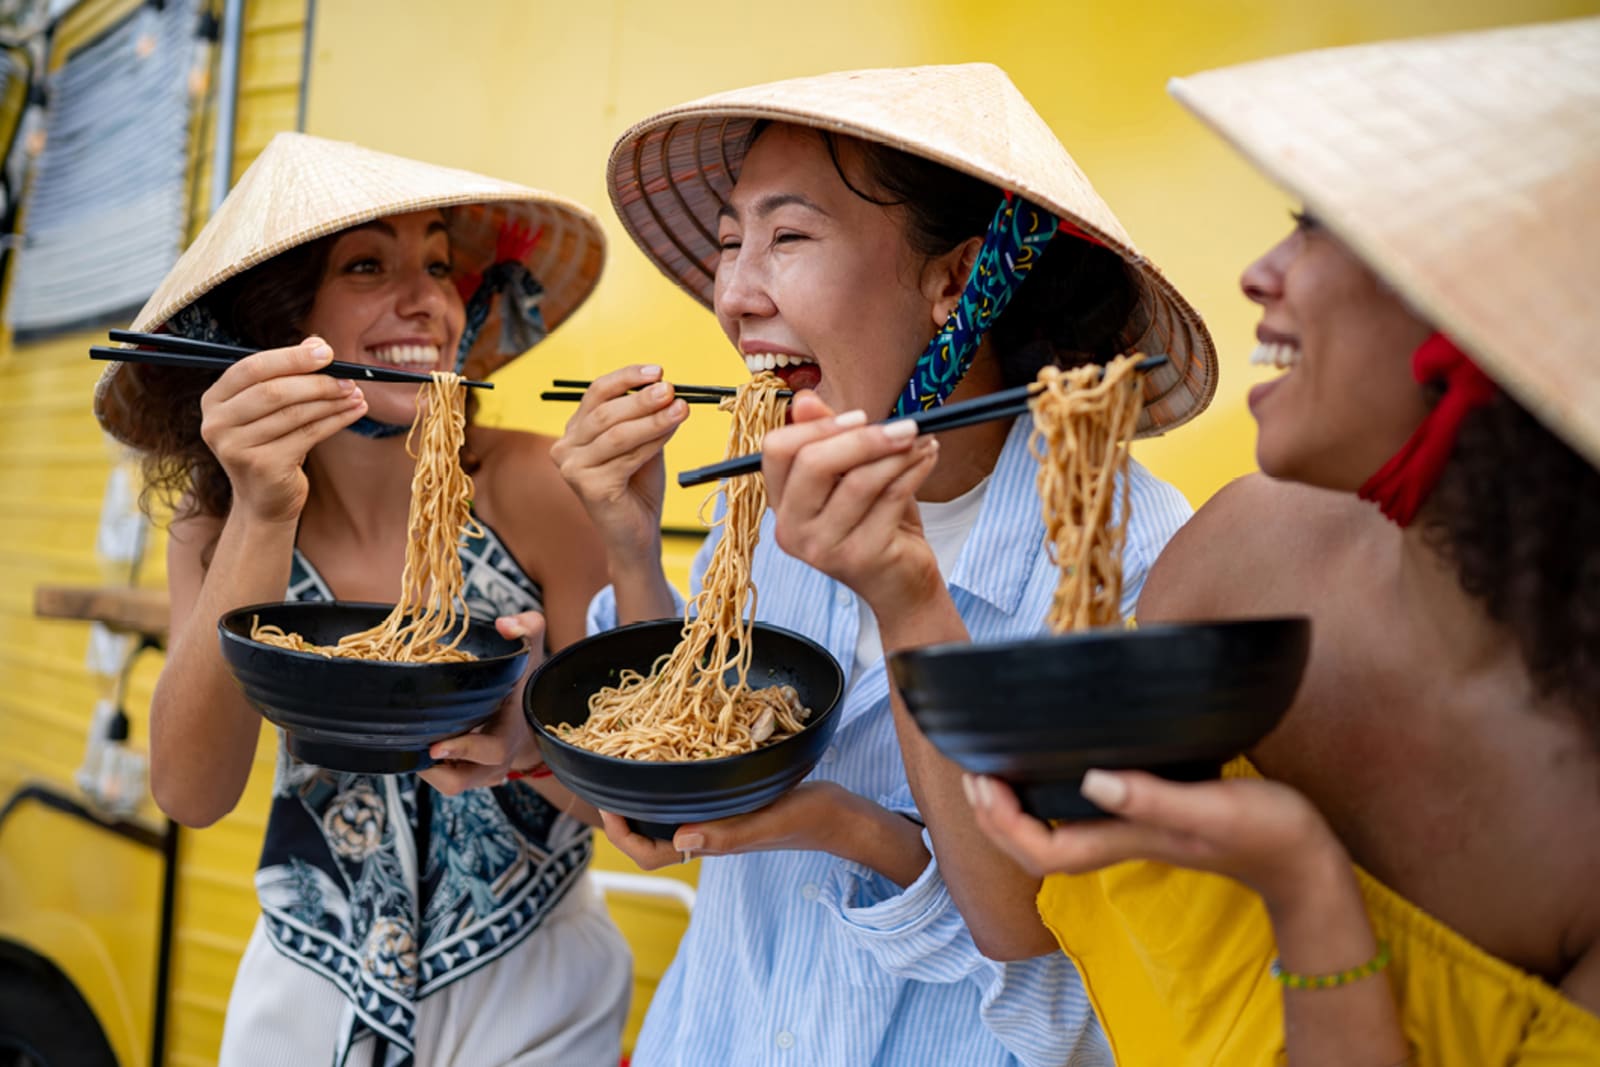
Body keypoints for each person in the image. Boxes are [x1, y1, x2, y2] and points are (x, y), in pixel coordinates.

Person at [967, 19, 1600, 1066]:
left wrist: (1305, 881)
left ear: (1483, 324)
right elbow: (1030, 905)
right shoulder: (1239, 550)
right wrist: (898, 585)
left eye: (1316, 227)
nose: (1258, 272)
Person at [555, 64, 1215, 1065]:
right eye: (731, 242)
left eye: (786, 236)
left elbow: (1066, 968)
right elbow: (674, 754)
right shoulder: (783, 498)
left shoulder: (1131, 562)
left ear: (953, 280)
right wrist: (626, 541)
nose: (732, 296)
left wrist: (851, 825)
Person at [94, 132, 630, 1067]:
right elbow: (191, 790)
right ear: (280, 318)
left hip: (533, 978)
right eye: (368, 264)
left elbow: (637, 802)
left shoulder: (532, 485)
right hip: (307, 984)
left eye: (438, 262)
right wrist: (264, 508)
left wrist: (528, 753)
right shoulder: (217, 522)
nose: (423, 297)